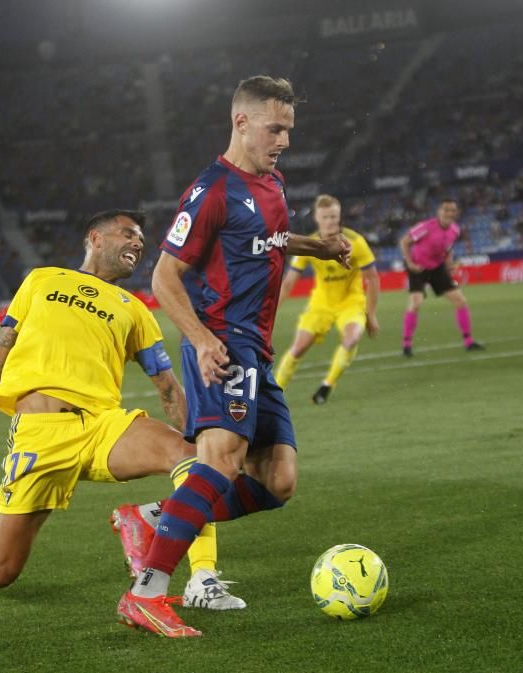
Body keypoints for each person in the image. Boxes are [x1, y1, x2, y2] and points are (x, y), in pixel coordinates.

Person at [113, 75, 352, 638]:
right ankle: (146, 594)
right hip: (222, 341)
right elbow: (164, 276)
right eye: (276, 128)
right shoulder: (211, 189)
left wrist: (316, 246)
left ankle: (152, 519)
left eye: (289, 129)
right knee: (219, 460)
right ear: (241, 122)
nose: (285, 140)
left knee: (278, 479)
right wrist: (200, 340)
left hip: (257, 350)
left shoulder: (271, 182)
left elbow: (267, 237)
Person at [0, 209, 232, 609]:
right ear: (96, 238)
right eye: (129, 234)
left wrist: (201, 435)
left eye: (141, 240)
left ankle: (202, 578)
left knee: (193, 460)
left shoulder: (134, 308)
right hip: (40, 435)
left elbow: (167, 386)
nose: (139, 244)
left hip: (102, 427)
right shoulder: (42, 280)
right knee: (2, 571)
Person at [274, 193, 380, 404]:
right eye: (326, 217)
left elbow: (373, 278)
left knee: (351, 339)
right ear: (317, 218)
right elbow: (288, 282)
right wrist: (271, 312)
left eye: (334, 216)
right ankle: (274, 394)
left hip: (351, 302)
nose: (330, 221)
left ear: (339, 216)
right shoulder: (309, 245)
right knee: (298, 348)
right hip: (320, 304)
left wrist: (371, 314)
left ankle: (327, 385)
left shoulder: (356, 242)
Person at [398, 198, 483, 357]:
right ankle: (406, 345)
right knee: (416, 303)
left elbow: (447, 249)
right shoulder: (426, 227)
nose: (449, 213)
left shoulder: (455, 230)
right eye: (446, 210)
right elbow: (404, 242)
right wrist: (409, 263)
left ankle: (468, 342)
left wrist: (449, 264)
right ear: (439, 212)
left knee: (460, 301)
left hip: (437, 267)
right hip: (418, 267)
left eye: (452, 210)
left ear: (456, 213)